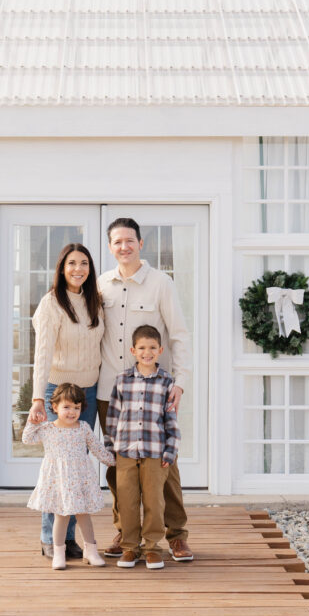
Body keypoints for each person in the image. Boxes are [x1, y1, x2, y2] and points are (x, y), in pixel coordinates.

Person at [97, 217, 194, 562]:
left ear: (141, 244)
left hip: (154, 390)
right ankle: (127, 532)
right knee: (117, 468)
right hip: (111, 389)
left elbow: (179, 334)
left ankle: (177, 534)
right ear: (110, 247)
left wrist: (180, 382)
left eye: (129, 240)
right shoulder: (101, 285)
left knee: (164, 467)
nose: (124, 247)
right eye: (117, 242)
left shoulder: (160, 283)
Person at [25, 243, 104, 559]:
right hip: (58, 392)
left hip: (89, 393)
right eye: (72, 263)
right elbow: (42, 354)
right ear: (61, 268)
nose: (78, 269)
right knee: (58, 467)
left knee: (78, 466)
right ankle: (53, 539)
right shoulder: (51, 304)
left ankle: (69, 538)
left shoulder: (95, 301)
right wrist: (37, 399)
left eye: (84, 263)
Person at [103, 325, 180, 570]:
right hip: (125, 451)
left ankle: (152, 548)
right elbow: (113, 416)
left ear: (160, 350)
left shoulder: (167, 381)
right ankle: (129, 547)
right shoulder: (122, 380)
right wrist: (110, 446)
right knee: (127, 501)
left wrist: (170, 450)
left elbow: (171, 420)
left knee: (154, 502)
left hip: (155, 452)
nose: (147, 353)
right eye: (142, 348)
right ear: (133, 350)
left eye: (152, 348)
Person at [23, 383, 116, 570]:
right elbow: (27, 439)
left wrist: (113, 461)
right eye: (66, 407)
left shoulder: (83, 428)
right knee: (61, 515)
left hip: (81, 478)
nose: (72, 412)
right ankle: (59, 553)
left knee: (84, 515)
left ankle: (91, 551)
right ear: (55, 407)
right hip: (59, 480)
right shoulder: (48, 429)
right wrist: (32, 422)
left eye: (76, 407)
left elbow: (97, 448)